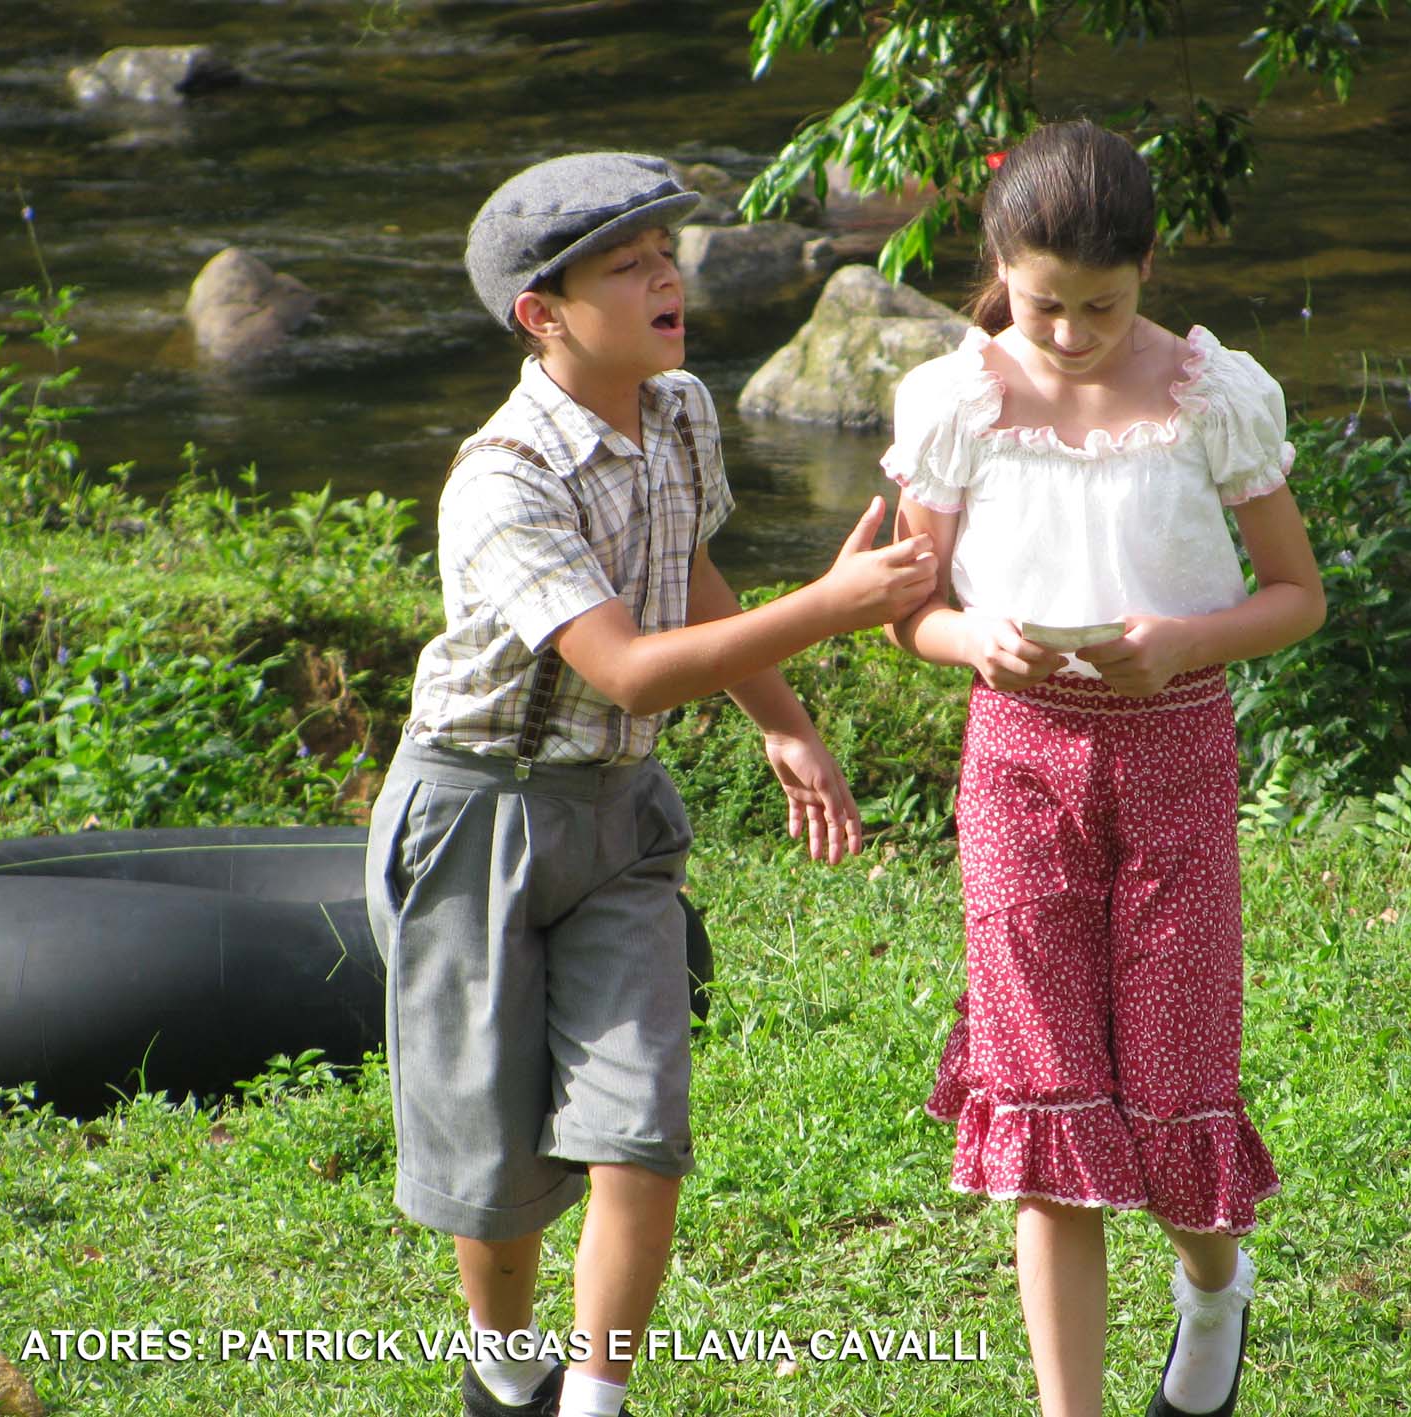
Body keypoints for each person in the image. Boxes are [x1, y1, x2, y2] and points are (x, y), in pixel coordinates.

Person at [364, 152, 936, 1417]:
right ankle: (505, 1364)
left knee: (639, 1129)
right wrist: (830, 606)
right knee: (495, 1173)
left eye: (664, 254)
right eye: (626, 267)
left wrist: (785, 725)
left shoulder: (679, 408)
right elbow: (624, 667)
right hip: (477, 818)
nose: (665, 277)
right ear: (544, 314)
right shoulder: (504, 478)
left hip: (620, 820)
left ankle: (596, 1396)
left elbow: (692, 576)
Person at [882, 120, 1325, 1417]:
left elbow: (1296, 596)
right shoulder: (954, 401)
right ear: (998, 269)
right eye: (1043, 306)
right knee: (1043, 1101)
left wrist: (1184, 640)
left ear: (1147, 269)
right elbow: (910, 610)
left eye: (1101, 306)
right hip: (1017, 757)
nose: (1070, 334)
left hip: (1177, 750)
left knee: (1176, 1092)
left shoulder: (1211, 394)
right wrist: (974, 638)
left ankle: (1212, 1287)